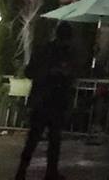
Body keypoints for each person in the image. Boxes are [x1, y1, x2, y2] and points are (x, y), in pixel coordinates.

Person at [16, 42, 73, 180]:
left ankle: (23, 171)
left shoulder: (42, 52)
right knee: (51, 140)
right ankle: (47, 171)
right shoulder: (62, 55)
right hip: (52, 103)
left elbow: (29, 72)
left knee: (36, 139)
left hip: (43, 103)